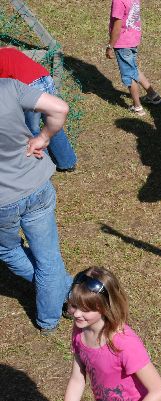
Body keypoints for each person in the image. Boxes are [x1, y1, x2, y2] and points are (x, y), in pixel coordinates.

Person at [0, 78, 73, 334]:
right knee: (48, 258)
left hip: (3, 202)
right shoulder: (9, 87)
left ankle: (57, 300)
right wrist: (43, 136)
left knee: (7, 251)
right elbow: (59, 108)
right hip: (37, 184)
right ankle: (60, 300)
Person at [64, 267, 161, 401]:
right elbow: (77, 379)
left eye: (85, 309)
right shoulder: (80, 331)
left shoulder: (124, 343)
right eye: (74, 305)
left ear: (105, 307)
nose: (77, 314)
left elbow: (158, 391)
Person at [0, 47, 77, 171]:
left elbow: (5, 86)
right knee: (52, 121)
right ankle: (67, 162)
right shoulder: (9, 51)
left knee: (33, 130)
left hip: (29, 87)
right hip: (45, 79)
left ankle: (43, 167)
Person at [106, 0, 161, 117]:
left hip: (123, 43)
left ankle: (137, 107)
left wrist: (110, 46)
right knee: (133, 68)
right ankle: (153, 95)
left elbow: (117, 27)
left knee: (129, 75)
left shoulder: (118, 1)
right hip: (133, 39)